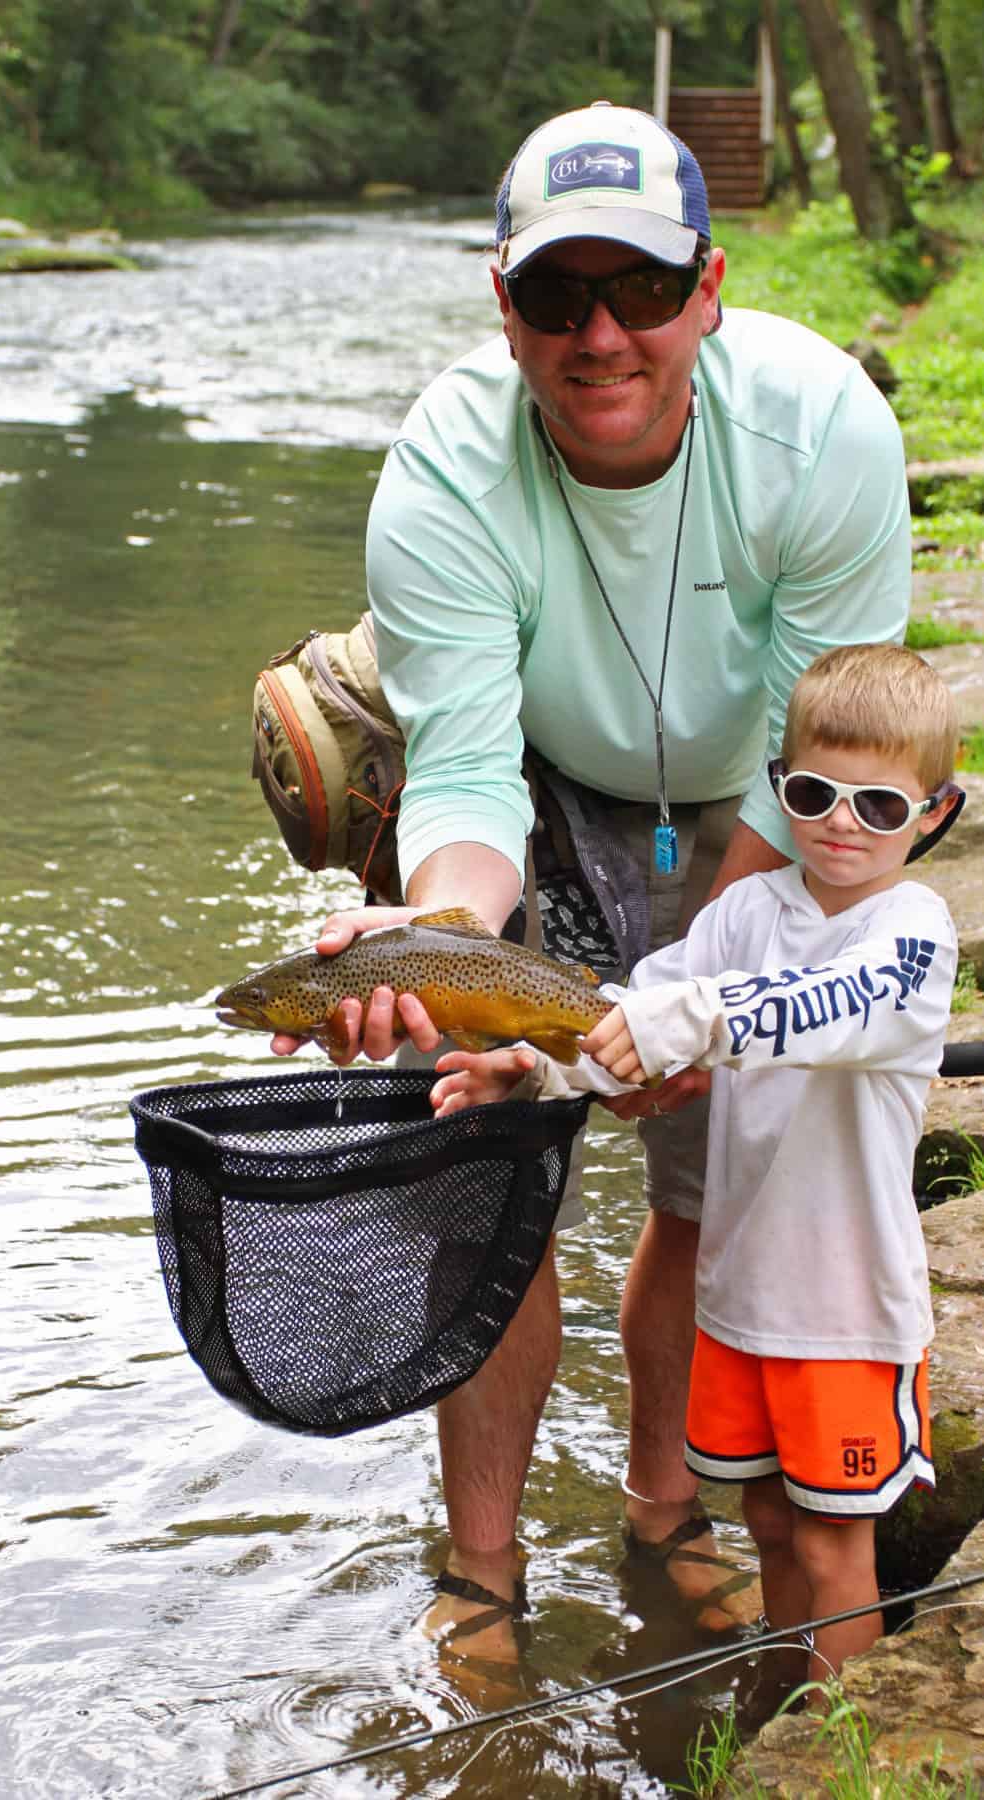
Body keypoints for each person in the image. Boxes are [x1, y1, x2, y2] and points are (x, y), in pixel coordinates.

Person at [272, 99, 913, 1643]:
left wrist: (689, 1005)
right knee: (489, 1176)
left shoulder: (822, 430)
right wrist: (430, 952)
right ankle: (480, 1575)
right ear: (504, 305)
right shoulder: (444, 463)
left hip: (761, 811)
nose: (600, 336)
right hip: (538, 797)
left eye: (637, 290)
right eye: (557, 296)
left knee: (708, 1186)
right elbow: (470, 772)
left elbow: (802, 744)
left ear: (708, 287)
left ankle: (657, 1507)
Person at [430, 642, 963, 1687]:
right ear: (778, 788)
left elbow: (817, 1011)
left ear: (934, 815)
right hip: (736, 1300)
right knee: (765, 1517)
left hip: (845, 1313)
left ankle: (836, 1729)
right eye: (814, 792)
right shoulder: (742, 916)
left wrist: (693, 1016)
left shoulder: (911, 933)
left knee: (830, 1543)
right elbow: (629, 1011)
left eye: (880, 807)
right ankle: (778, 1705)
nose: (842, 822)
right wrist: (532, 1069)